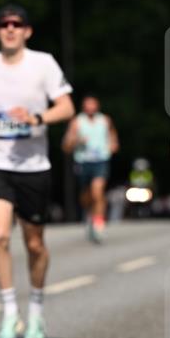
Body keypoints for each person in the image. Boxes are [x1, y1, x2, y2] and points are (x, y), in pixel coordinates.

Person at [0, 4, 74, 338]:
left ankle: (36, 311)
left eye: (17, 24)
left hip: (34, 167)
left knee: (35, 244)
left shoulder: (44, 63)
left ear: (27, 31)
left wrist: (38, 118)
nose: (10, 29)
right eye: (4, 24)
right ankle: (10, 313)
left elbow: (66, 107)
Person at [62, 95, 119, 242]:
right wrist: (76, 140)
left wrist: (112, 144)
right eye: (88, 105)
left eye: (93, 105)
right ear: (83, 107)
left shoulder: (105, 120)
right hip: (83, 161)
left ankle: (99, 224)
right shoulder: (77, 122)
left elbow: (112, 135)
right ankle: (89, 214)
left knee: (97, 191)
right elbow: (66, 145)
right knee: (87, 195)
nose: (90, 108)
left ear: (97, 106)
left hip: (100, 160)